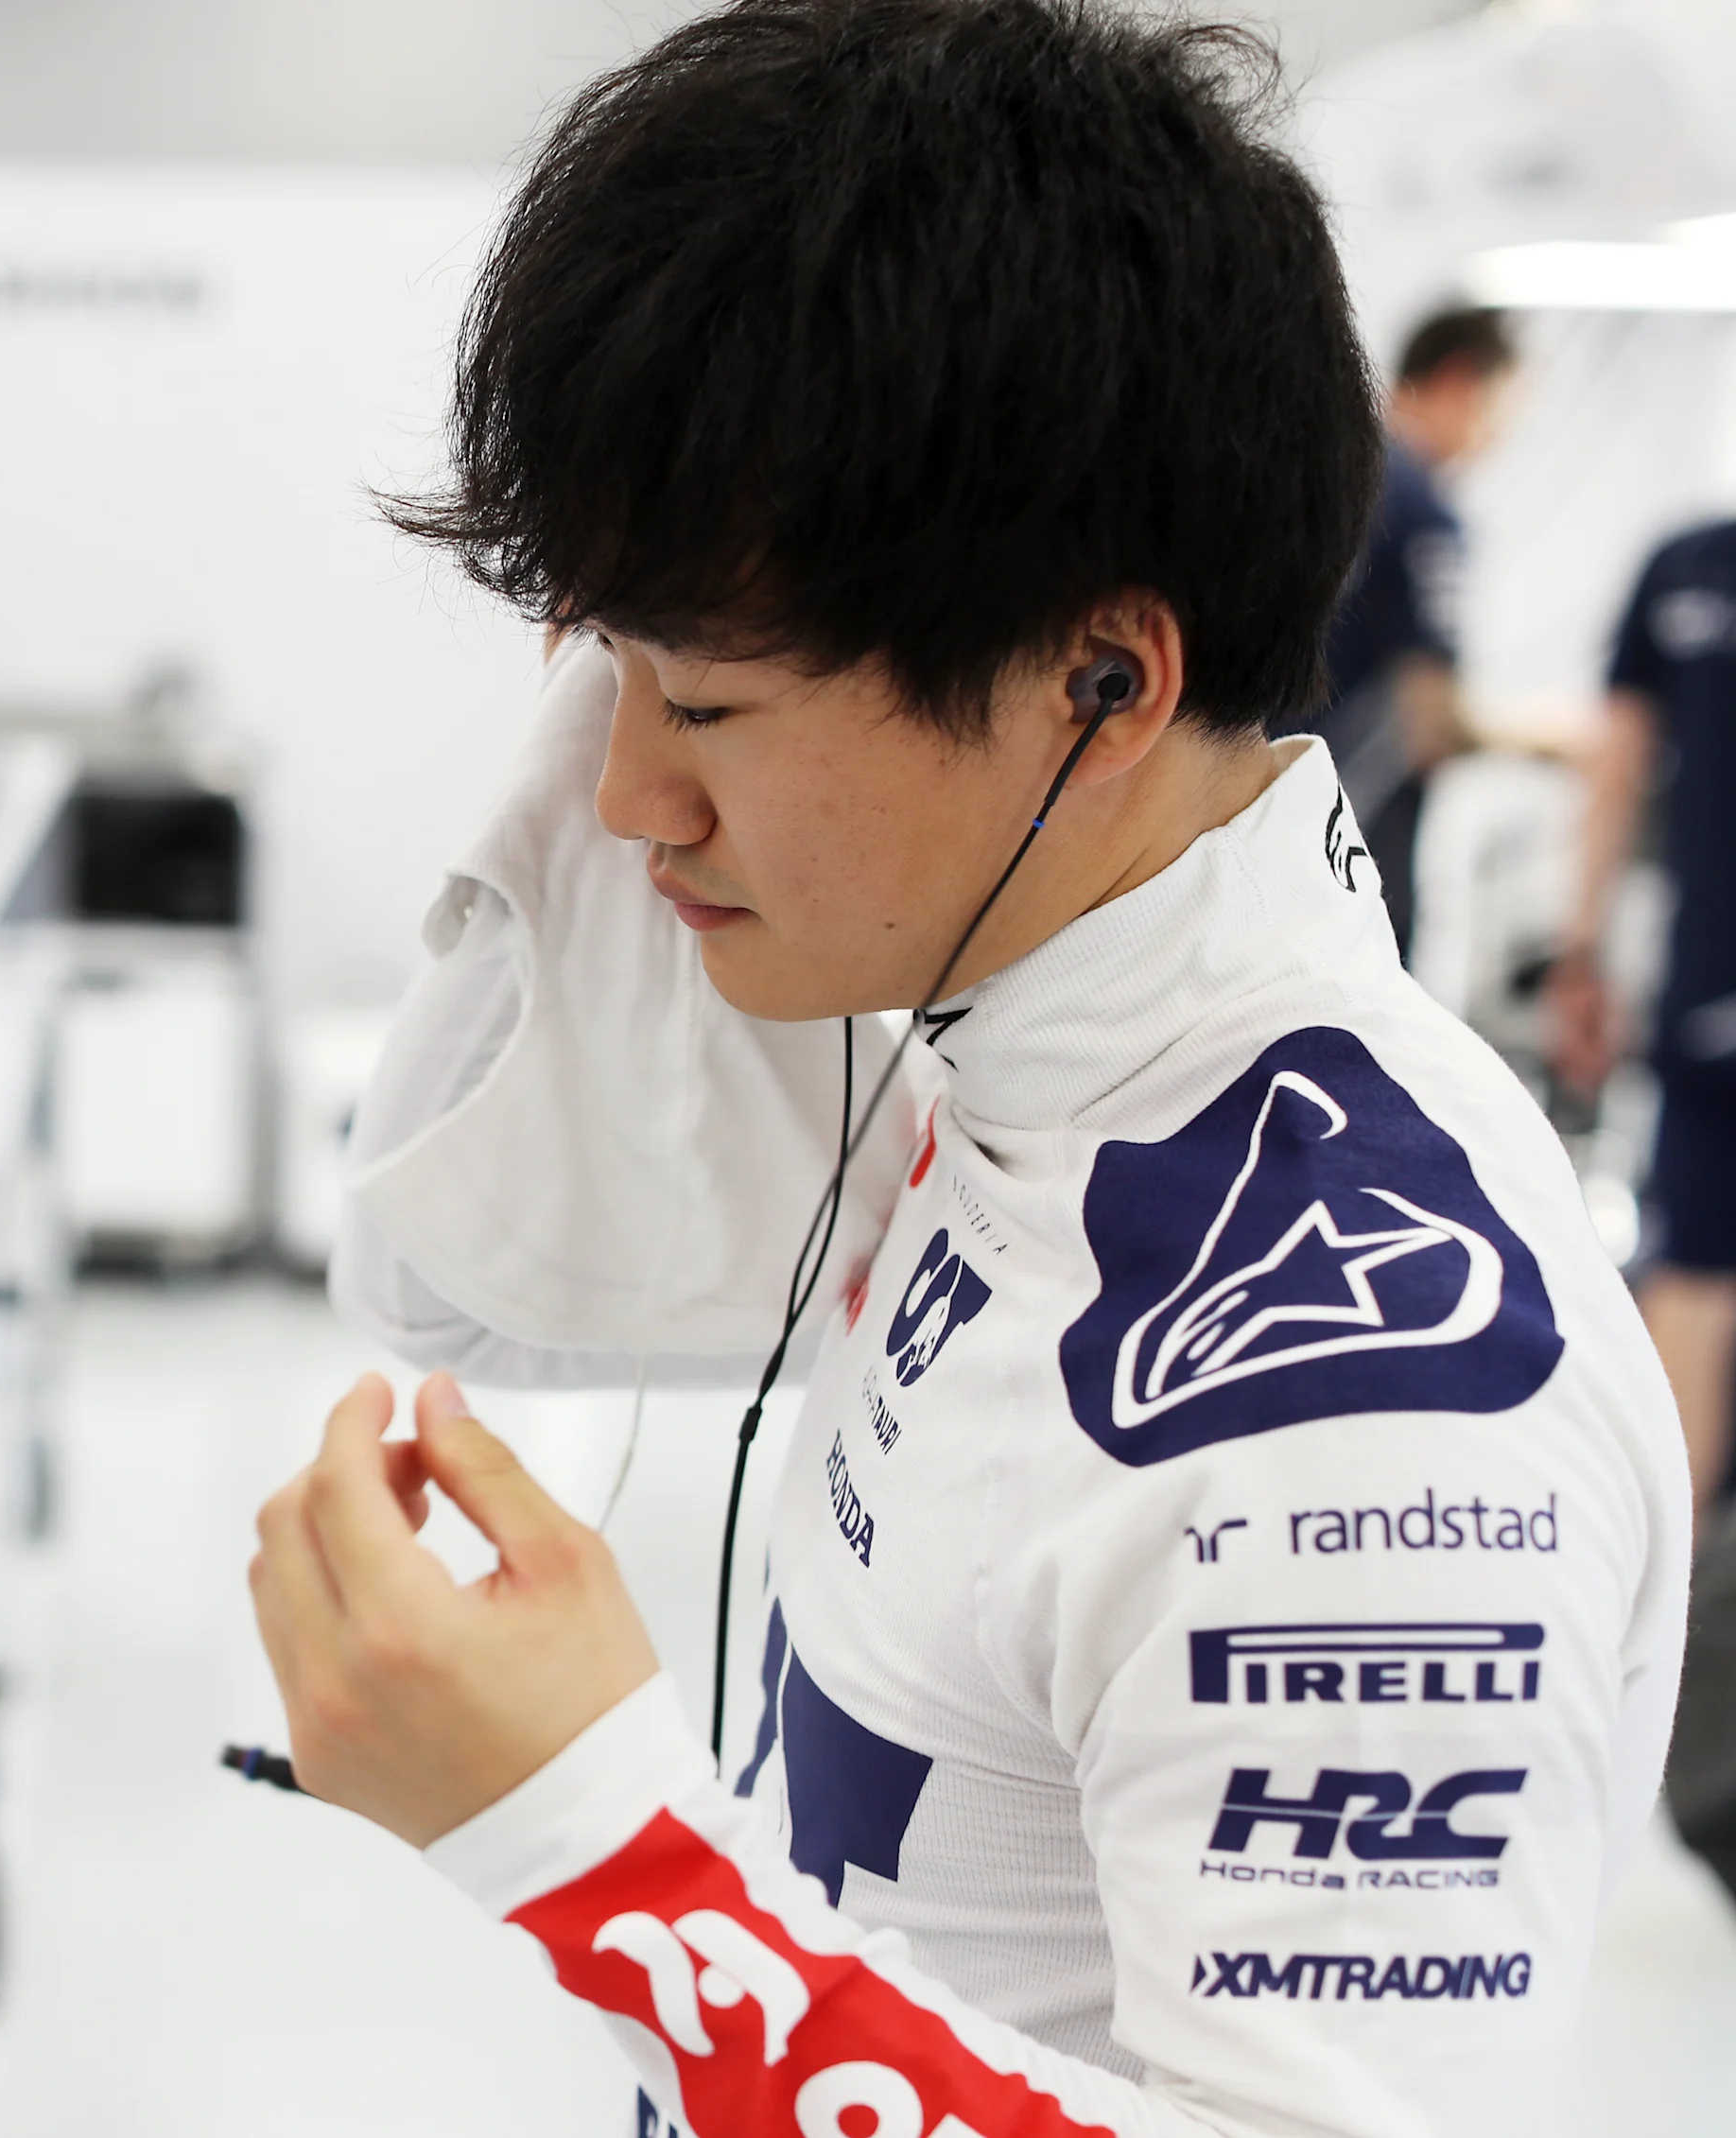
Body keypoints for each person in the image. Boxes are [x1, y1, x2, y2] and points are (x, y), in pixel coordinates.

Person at [256, 7, 1687, 2136]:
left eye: (702, 706)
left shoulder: (1362, 1411)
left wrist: (602, 1858)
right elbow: (456, 1260)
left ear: (1098, 679)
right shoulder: (1002, 1015)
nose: (625, 797)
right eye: (602, 671)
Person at [1549, 525, 1736, 1508]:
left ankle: (1666, 1586)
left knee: (1694, 1289)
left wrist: (1581, 953)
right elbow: (1615, 760)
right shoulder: (1683, 571)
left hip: (1708, 993)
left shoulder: (1688, 568)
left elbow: (1612, 767)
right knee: (1692, 1284)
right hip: (1707, 1003)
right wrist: (1580, 958)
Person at [1293, 306, 1517, 961]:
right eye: (1500, 411)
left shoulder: (1313, 470)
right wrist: (1550, 743)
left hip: (1243, 807)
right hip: (1345, 829)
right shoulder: (1425, 512)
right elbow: (1434, 719)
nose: (1496, 439)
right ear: (1461, 383)